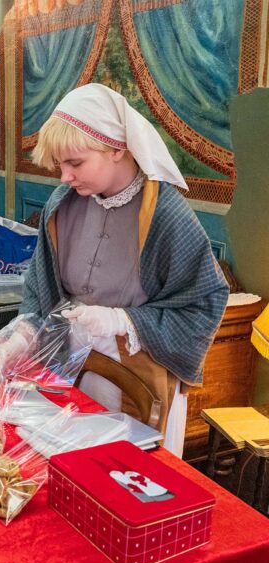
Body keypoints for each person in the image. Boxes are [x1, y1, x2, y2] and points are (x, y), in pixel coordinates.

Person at [23, 83, 229, 456]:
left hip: (140, 370)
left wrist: (123, 321)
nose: (64, 176)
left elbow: (206, 300)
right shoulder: (61, 206)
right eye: (60, 164)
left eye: (75, 163)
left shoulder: (164, 214)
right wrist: (22, 332)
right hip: (71, 362)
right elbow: (40, 286)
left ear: (117, 147)